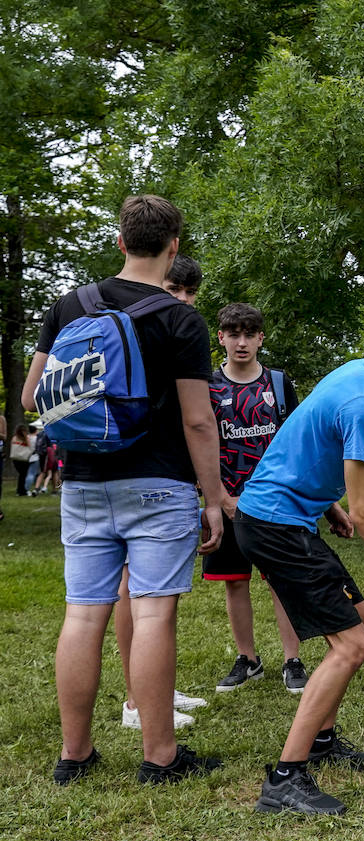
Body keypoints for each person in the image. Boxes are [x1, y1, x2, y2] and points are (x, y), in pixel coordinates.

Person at [23, 194, 225, 785]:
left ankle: (75, 755)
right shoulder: (181, 319)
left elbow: (35, 397)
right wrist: (212, 498)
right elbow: (197, 420)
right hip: (159, 484)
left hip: (83, 483)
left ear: (120, 242)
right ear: (174, 246)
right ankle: (160, 756)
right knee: (154, 612)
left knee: (84, 614)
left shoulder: (68, 306)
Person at [234, 291, 364, 815]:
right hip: (275, 525)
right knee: (351, 646)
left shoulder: (361, 377)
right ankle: (286, 779)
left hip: (285, 517)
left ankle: (323, 741)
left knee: (361, 624)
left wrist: (330, 509)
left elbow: (307, 446)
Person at [113, 254, 208, 731]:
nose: (183, 301)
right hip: (146, 478)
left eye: (190, 293)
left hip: (151, 475)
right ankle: (137, 703)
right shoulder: (153, 328)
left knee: (153, 596)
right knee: (139, 594)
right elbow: (195, 417)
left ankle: (154, 692)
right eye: (175, 288)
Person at [205, 303, 309, 696]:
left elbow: (298, 443)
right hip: (229, 501)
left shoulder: (279, 384)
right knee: (235, 582)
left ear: (261, 338)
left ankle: (291, 659)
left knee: (280, 581)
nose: (242, 342)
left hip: (276, 504)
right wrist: (219, 499)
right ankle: (248, 659)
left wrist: (321, 502)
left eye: (250, 334)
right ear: (222, 338)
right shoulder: (209, 387)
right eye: (234, 334)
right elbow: (203, 444)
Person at [9, 424, 33, 497]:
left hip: (15, 459)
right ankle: (21, 491)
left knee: (21, 475)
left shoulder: (14, 438)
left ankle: (20, 490)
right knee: (23, 475)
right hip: (24, 459)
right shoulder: (26, 438)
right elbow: (30, 447)